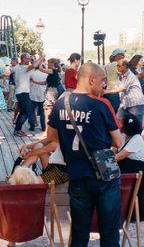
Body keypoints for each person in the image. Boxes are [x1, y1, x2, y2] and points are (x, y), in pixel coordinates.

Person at [47, 62, 122, 246]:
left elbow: (51, 136)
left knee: (80, 231)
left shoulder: (60, 104)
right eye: (103, 81)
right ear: (92, 79)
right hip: (104, 173)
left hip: (76, 173)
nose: (103, 86)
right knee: (109, 231)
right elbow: (118, 142)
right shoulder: (101, 104)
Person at [115, 113, 144, 221]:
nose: (119, 125)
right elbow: (115, 149)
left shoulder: (137, 139)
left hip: (134, 175)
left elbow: (120, 156)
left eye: (121, 123)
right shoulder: (125, 137)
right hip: (124, 171)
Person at [103, 59, 144, 125]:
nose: (117, 68)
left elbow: (122, 88)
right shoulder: (122, 75)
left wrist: (106, 92)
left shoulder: (130, 75)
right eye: (117, 66)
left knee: (136, 125)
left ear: (125, 66)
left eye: (119, 66)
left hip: (135, 103)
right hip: (126, 103)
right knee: (118, 121)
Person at [13, 53, 43, 137]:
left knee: (23, 112)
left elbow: (35, 67)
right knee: (27, 112)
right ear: (23, 59)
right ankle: (17, 129)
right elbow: (34, 66)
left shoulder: (17, 68)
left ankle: (17, 129)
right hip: (23, 93)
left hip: (20, 92)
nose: (29, 60)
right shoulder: (24, 68)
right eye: (28, 59)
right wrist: (41, 58)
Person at [104, 49, 125, 113]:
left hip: (111, 91)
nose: (124, 56)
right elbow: (124, 75)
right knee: (113, 112)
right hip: (113, 92)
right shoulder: (116, 64)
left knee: (111, 111)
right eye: (122, 54)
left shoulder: (112, 64)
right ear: (117, 56)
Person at [29, 67, 48, 132]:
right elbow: (46, 83)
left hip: (33, 94)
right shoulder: (45, 74)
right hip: (41, 94)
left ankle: (32, 126)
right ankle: (43, 127)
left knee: (31, 111)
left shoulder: (32, 73)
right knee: (42, 112)